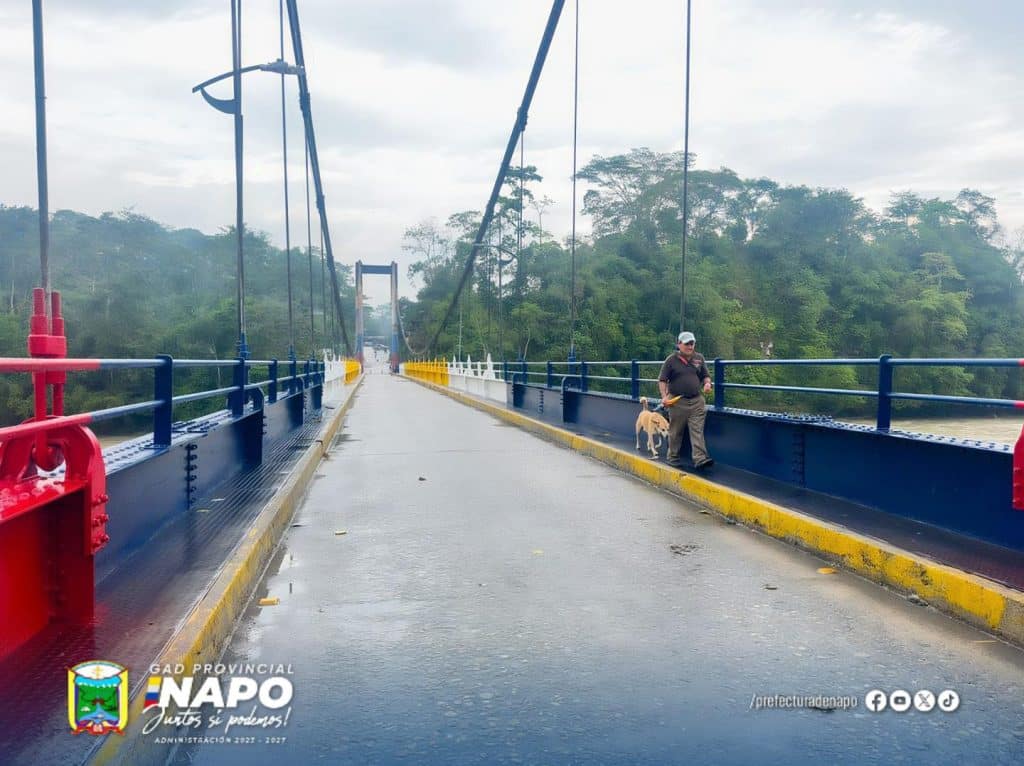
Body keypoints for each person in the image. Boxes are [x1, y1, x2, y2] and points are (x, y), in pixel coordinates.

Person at [658, 331, 714, 469]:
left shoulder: (699, 358)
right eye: (687, 343)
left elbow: (705, 376)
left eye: (692, 343)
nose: (690, 346)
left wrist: (707, 384)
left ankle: (700, 459)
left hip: (696, 400)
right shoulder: (671, 360)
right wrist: (664, 397)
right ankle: (673, 457)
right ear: (679, 344)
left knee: (697, 429)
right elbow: (662, 380)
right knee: (676, 430)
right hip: (677, 401)